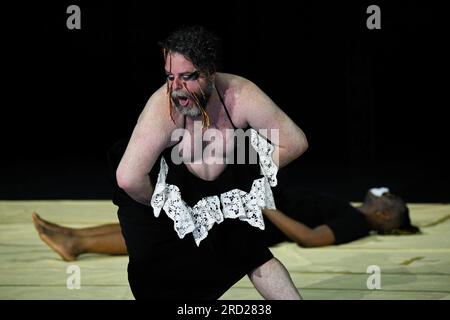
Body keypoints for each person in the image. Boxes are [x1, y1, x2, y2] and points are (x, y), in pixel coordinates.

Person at [108, 25, 308, 300]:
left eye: (187, 77)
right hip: (152, 187)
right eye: (170, 77)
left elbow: (293, 143)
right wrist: (169, 207)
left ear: (210, 73)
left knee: (248, 247)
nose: (176, 89)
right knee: (155, 276)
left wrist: (249, 178)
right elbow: (129, 178)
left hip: (215, 179)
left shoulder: (240, 94)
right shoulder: (162, 109)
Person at [32, 186, 420, 260]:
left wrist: (263, 205)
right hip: (250, 209)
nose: (384, 193)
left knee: (166, 233)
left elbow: (310, 239)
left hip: (249, 222)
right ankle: (71, 235)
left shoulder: (355, 223)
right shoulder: (352, 212)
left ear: (385, 215)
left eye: (391, 198)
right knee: (163, 219)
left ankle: (76, 244)